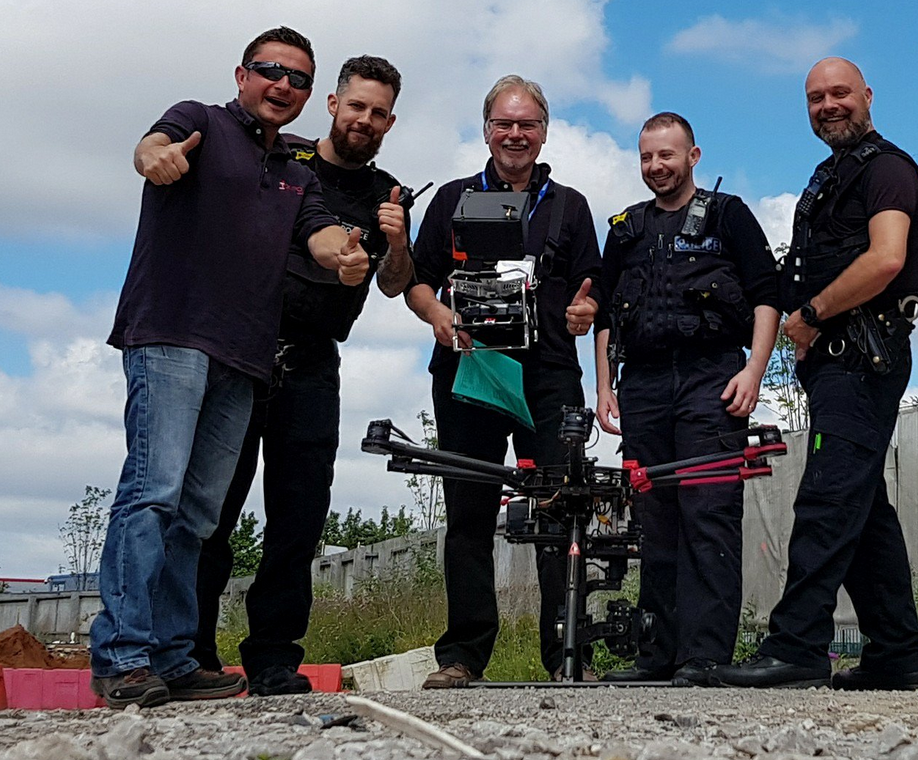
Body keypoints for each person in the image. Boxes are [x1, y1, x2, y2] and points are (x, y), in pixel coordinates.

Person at [90, 26, 369, 709]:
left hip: (244, 359)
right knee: (153, 493)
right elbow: (152, 146)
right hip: (172, 336)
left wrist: (345, 253)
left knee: (198, 516)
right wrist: (154, 157)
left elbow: (321, 232)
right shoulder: (200, 122)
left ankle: (174, 657)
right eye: (271, 69)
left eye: (298, 78)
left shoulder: (296, 174)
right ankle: (121, 656)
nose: (283, 84)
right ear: (242, 75)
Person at [191, 55, 413, 697]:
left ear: (389, 122)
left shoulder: (389, 193)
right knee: (213, 511)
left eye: (378, 113)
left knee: (298, 519)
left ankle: (273, 658)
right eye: (356, 106)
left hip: (315, 364)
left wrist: (398, 243)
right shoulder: (281, 157)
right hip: (242, 355)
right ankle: (193, 652)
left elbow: (396, 285)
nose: (364, 120)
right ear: (333, 105)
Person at [711, 57, 918, 690]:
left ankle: (797, 647)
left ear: (868, 95)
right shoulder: (830, 176)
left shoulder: (888, 170)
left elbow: (886, 260)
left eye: (839, 93)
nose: (828, 106)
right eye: (815, 98)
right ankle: (898, 657)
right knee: (862, 510)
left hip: (864, 358)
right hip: (836, 364)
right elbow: (796, 273)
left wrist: (808, 315)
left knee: (827, 501)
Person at [406, 75, 602, 687]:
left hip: (549, 375)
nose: (515, 135)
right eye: (504, 123)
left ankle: (567, 656)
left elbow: (593, 288)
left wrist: (584, 310)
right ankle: (462, 657)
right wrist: (437, 315)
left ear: (544, 132)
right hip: (470, 370)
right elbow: (417, 281)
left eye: (527, 124)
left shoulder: (570, 205)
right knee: (468, 513)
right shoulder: (452, 199)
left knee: (560, 511)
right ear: (486, 129)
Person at [593, 113, 780, 685]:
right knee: (654, 519)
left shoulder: (729, 215)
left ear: (693, 156)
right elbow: (603, 311)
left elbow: (767, 294)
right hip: (643, 383)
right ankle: (656, 657)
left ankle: (705, 657)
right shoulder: (625, 229)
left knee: (709, 514)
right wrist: (604, 386)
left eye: (666, 155)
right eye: (647, 157)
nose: (656, 167)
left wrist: (753, 370)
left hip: (711, 377)